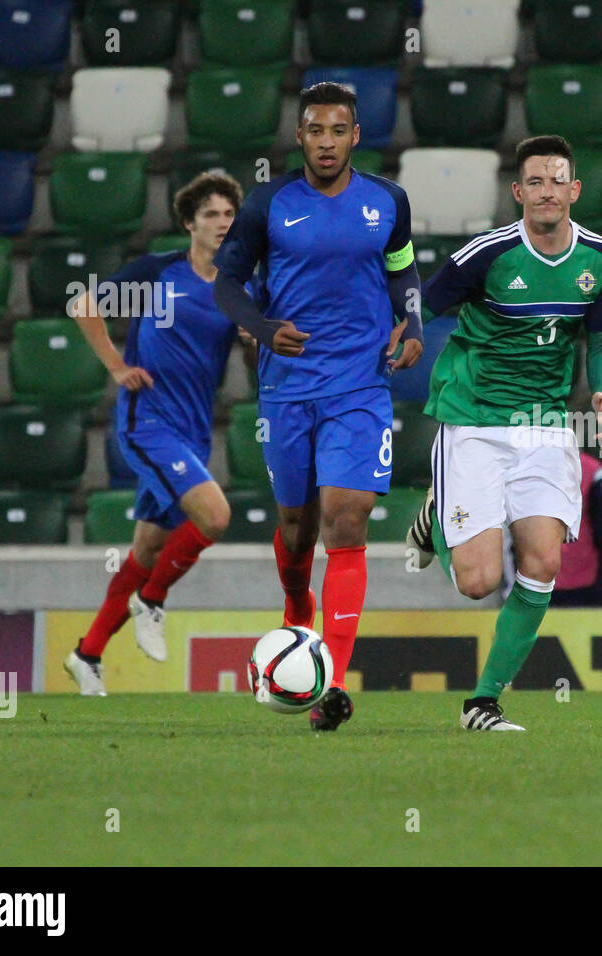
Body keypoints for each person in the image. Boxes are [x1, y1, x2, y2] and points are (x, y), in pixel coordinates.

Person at [212, 82, 422, 731]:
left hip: (360, 383)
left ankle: (329, 680)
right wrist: (264, 325)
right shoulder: (267, 204)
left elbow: (402, 270)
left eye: (338, 130)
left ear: (355, 136)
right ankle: (297, 605)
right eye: (315, 130)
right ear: (299, 137)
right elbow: (226, 283)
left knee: (347, 519)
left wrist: (411, 325)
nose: (326, 142)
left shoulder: (388, 201)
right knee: (300, 527)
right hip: (287, 386)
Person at [406, 135, 602, 731]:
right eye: (535, 181)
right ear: (518, 192)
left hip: (546, 423)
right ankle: (437, 518)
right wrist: (401, 336)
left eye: (558, 180)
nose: (547, 191)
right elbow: (422, 305)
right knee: (478, 583)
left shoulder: (598, 257)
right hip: (474, 419)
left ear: (574, 190)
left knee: (544, 563)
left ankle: (484, 702)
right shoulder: (488, 253)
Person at [65, 172, 245, 696]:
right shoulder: (159, 271)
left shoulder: (239, 285)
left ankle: (87, 653)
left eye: (229, 214)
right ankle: (154, 600)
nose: (221, 223)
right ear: (189, 223)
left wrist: (254, 341)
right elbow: (84, 306)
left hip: (195, 430)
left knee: (146, 548)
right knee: (216, 516)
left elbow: (259, 345)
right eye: (210, 214)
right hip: (147, 422)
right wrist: (118, 367)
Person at [501, 451, 602, 606]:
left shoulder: (595, 474)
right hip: (532, 596)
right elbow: (508, 540)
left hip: (587, 595)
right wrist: (514, 595)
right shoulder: (519, 475)